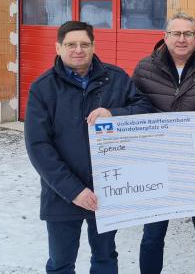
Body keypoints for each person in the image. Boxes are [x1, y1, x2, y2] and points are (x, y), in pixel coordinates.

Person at [24, 20, 152, 274]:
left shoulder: (115, 78)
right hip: (62, 194)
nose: (78, 50)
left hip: (108, 190)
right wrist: (74, 191)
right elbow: (38, 146)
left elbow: (144, 110)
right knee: (61, 262)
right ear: (58, 47)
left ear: (93, 46)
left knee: (105, 258)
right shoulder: (43, 87)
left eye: (85, 44)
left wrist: (114, 113)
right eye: (71, 44)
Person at [132, 12, 195, 274]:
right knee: (152, 235)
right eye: (176, 33)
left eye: (188, 34)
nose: (181, 39)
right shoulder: (144, 68)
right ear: (165, 37)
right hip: (158, 165)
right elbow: (135, 108)